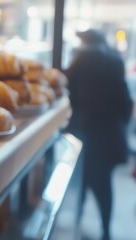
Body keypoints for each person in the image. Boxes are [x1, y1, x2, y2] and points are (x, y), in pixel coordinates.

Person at [66, 29, 133, 240]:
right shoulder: (115, 59)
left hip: (88, 133)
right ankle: (105, 229)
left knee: (86, 181)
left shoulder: (81, 60)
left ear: (86, 41)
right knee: (104, 184)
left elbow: (69, 92)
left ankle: (78, 222)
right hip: (110, 133)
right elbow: (126, 102)